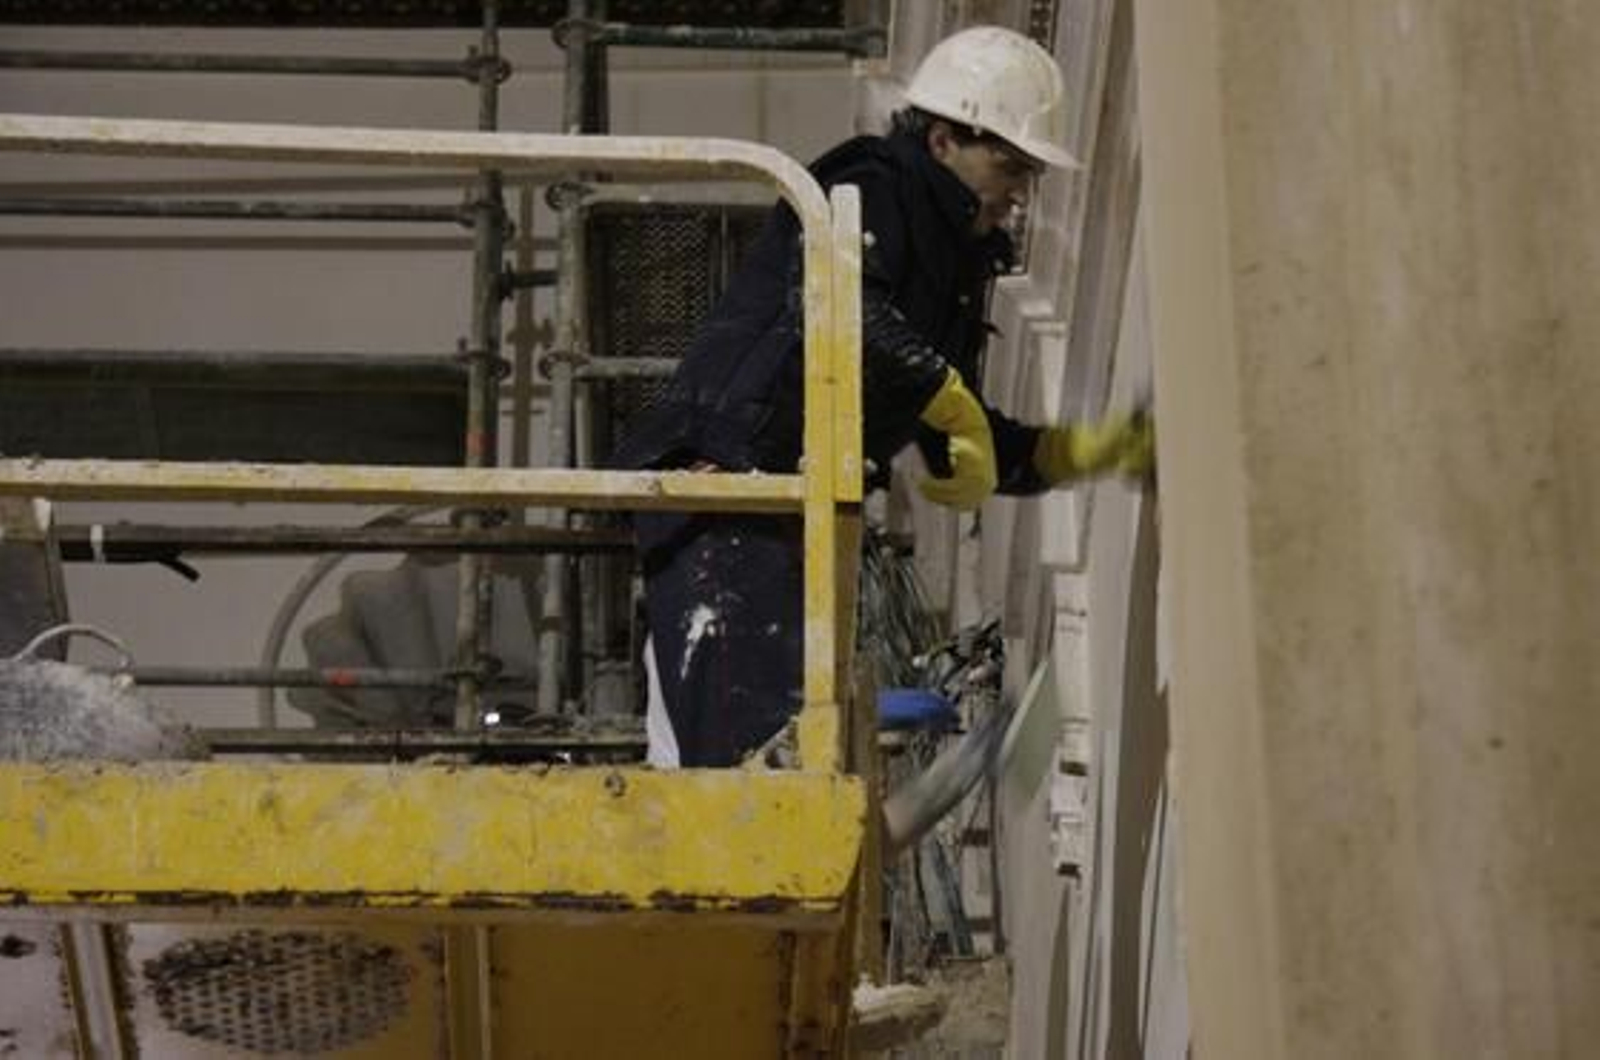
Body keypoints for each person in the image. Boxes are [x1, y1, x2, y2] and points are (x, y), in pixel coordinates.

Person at [613, 25, 1152, 768]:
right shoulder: (872, 184)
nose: (1021, 193)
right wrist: (947, 398)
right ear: (942, 141)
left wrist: (1073, 453)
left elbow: (951, 426)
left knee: (776, 753)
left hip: (787, 508)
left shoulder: (950, 269)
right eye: (1010, 164)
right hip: (727, 483)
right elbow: (845, 311)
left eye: (1030, 174)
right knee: (750, 760)